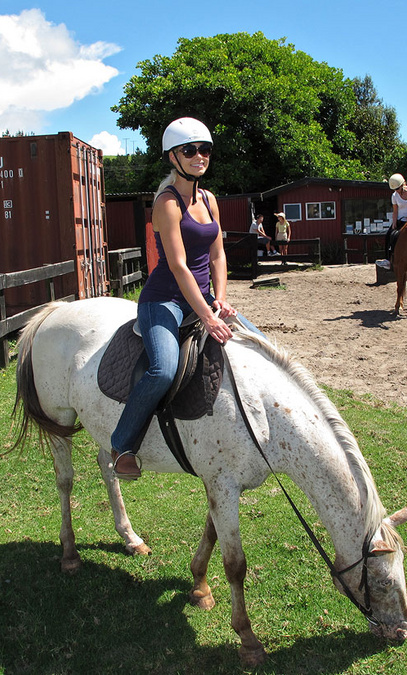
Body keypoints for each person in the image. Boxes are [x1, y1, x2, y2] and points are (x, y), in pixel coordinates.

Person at [110, 117, 260, 481]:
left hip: (204, 295)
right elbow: (178, 266)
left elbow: (218, 256)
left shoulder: (209, 200)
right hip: (165, 300)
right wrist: (207, 317)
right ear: (173, 157)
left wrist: (220, 300)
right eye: (189, 150)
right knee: (162, 368)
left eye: (204, 149)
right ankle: (121, 444)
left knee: (259, 345)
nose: (199, 156)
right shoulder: (167, 202)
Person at [384, 173, 407, 266]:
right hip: (401, 220)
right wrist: (394, 222)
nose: (396, 191)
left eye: (397, 188)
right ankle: (388, 259)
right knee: (389, 236)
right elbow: (395, 211)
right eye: (394, 189)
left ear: (402, 185)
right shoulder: (394, 196)